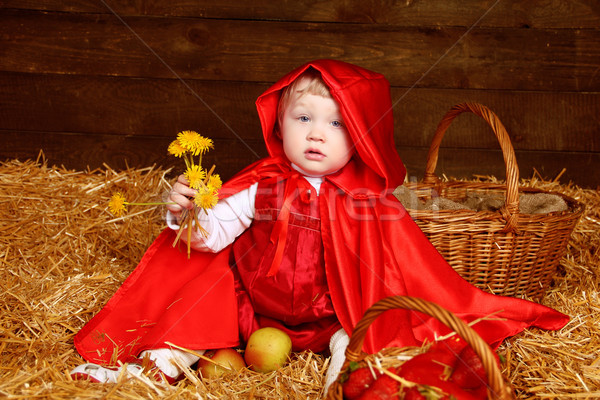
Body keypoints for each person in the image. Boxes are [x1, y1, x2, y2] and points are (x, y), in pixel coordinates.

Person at [70, 60, 569, 393]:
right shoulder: (259, 184)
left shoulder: (368, 201)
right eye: (302, 117)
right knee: (207, 296)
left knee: (356, 334)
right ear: (278, 125)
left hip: (329, 312)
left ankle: (344, 379)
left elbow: (398, 269)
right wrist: (186, 213)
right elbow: (210, 238)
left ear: (361, 140)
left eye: (335, 124)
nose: (314, 133)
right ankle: (154, 366)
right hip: (255, 309)